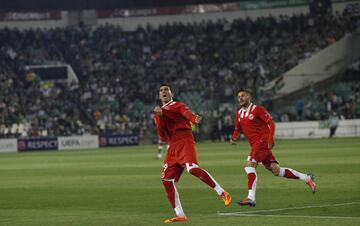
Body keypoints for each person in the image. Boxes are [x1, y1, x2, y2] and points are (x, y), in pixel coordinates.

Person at [154, 84, 231, 223]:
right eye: (161, 91)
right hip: (172, 146)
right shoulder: (159, 112)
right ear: (159, 95)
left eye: (166, 90)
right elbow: (162, 135)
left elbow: (186, 113)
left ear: (171, 93)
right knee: (166, 180)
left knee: (192, 169)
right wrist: (159, 117)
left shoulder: (178, 105)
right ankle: (180, 215)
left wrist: (193, 119)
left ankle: (222, 193)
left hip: (184, 140)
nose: (164, 92)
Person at [230, 88, 317, 207]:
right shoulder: (239, 114)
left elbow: (271, 123)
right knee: (276, 170)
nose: (240, 98)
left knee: (249, 166)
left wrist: (271, 140)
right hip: (256, 145)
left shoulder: (258, 109)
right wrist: (233, 138)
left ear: (249, 97)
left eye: (243, 96)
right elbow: (237, 129)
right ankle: (307, 178)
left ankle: (251, 197)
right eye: (239, 96)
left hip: (262, 143)